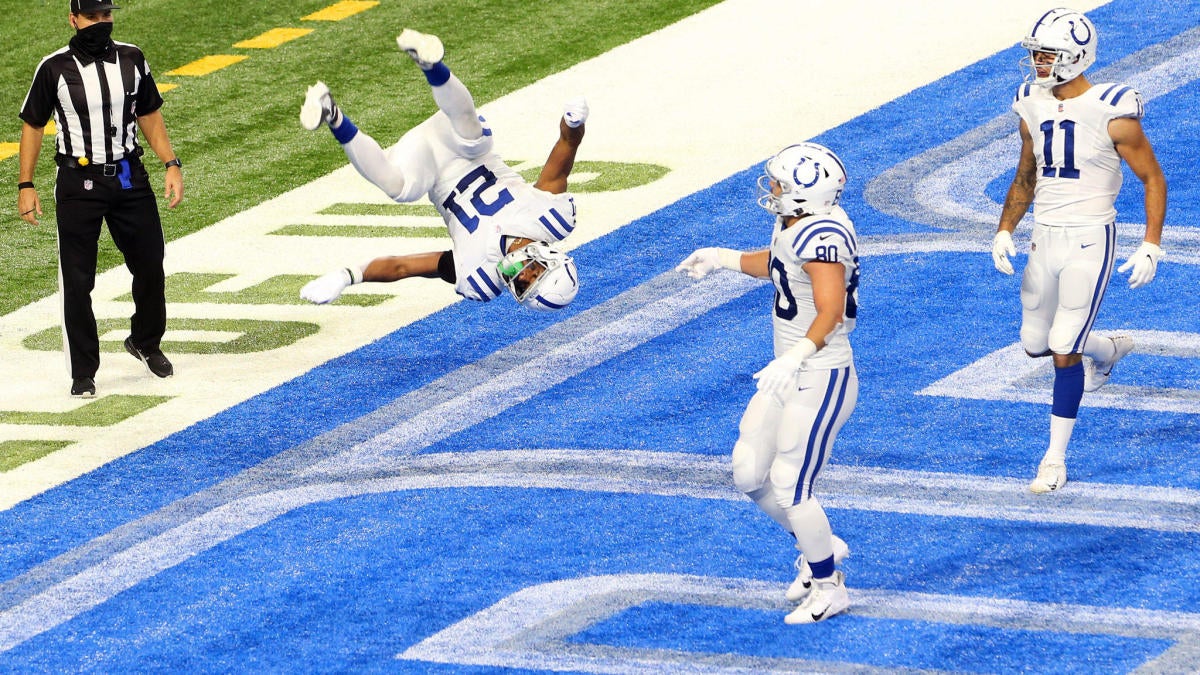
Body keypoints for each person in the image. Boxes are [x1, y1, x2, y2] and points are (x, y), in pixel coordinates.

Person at [677, 142, 858, 624]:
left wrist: (797, 354)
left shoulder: (824, 237)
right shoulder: (796, 223)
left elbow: (830, 312)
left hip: (821, 373)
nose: (773, 189)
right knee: (749, 472)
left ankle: (828, 586)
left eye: (780, 183)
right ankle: (820, 545)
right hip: (790, 369)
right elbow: (780, 264)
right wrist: (723, 257)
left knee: (790, 484)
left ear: (805, 194)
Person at [992, 8, 1167, 494]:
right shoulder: (1030, 101)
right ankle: (1107, 349)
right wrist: (1005, 228)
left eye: (1047, 54)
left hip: (1091, 236)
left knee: (1063, 348)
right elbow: (1027, 172)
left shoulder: (1113, 110)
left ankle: (1053, 458)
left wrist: (1151, 243)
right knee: (1035, 343)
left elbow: (1152, 177)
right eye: (1036, 53)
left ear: (1074, 57)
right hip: (1044, 235)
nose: (1038, 63)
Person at [299, 29, 586, 311]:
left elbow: (404, 267)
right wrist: (574, 123)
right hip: (459, 137)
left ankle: (331, 113)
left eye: (524, 286)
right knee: (474, 140)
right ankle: (431, 64)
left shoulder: (479, 276)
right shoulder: (551, 218)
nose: (521, 276)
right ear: (552, 257)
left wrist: (348, 276)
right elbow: (566, 144)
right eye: (534, 274)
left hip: (428, 166)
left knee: (401, 189)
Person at [18, 0, 183, 398]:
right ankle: (83, 370)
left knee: (150, 265)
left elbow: (149, 113)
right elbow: (33, 125)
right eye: (92, 17)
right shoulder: (54, 67)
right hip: (78, 181)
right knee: (77, 281)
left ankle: (145, 341)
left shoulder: (132, 58)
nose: (100, 23)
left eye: (106, 16)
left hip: (128, 175)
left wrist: (170, 162)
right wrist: (26, 185)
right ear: (73, 19)